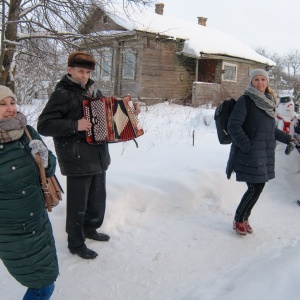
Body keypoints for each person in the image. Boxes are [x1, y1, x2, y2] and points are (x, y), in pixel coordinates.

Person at [37, 51, 141, 259]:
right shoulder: (62, 94)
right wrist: (75, 125)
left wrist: (130, 112)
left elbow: (110, 115)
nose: (84, 76)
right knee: (78, 204)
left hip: (98, 155)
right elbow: (44, 125)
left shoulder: (94, 91)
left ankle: (90, 228)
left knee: (96, 199)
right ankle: (75, 243)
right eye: (80, 71)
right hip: (76, 157)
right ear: (70, 70)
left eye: (87, 72)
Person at [0, 85, 59, 299]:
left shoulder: (25, 130)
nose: (10, 109)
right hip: (12, 232)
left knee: (47, 280)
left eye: (12, 102)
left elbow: (50, 167)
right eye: (2, 104)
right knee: (42, 286)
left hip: (39, 222)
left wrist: (45, 160)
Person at [226, 69, 295, 236]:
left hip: (262, 153)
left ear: (267, 82)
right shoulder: (246, 100)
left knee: (258, 187)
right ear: (251, 82)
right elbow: (233, 126)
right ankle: (238, 220)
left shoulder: (269, 102)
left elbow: (270, 130)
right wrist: (247, 146)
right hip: (249, 152)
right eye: (256, 79)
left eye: (263, 79)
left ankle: (244, 218)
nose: (260, 83)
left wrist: (288, 139)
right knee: (254, 187)